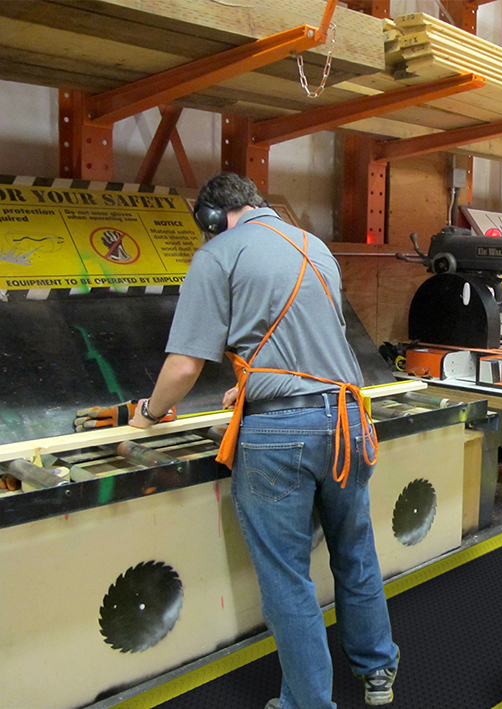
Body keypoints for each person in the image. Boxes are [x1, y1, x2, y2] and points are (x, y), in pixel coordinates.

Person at [128, 172, 399, 709]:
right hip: (347, 420)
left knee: (287, 578)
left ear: (211, 218)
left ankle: (307, 704)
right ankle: (378, 672)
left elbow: (183, 366)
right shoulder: (314, 246)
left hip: (279, 436)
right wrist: (251, 385)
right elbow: (308, 342)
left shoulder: (217, 254)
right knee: (355, 553)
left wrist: (148, 414)